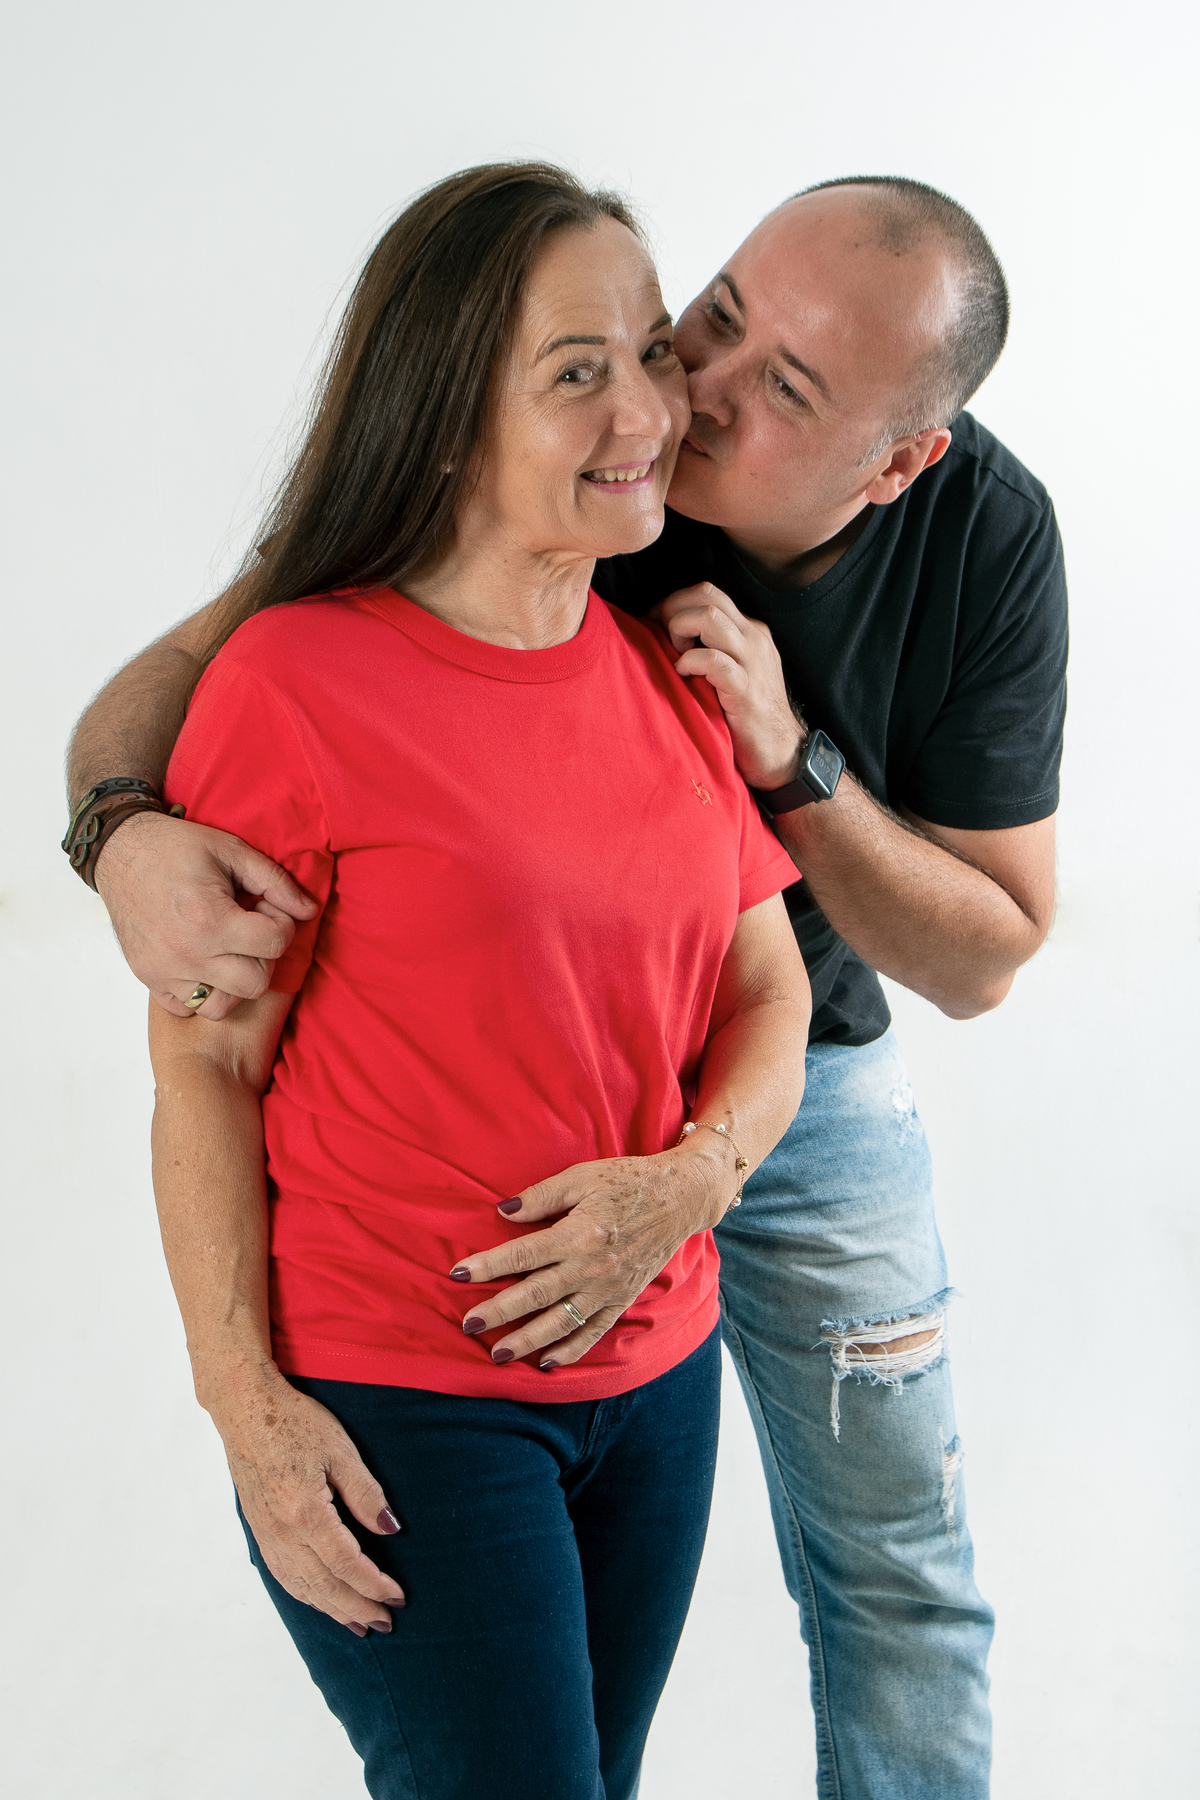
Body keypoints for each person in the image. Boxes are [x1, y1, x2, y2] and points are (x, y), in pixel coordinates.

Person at [66, 175, 1068, 1800]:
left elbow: (979, 957)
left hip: (792, 1085)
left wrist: (788, 772)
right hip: (447, 1252)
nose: (691, 398)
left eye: (785, 389)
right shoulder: (501, 517)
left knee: (897, 1582)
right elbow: (203, 689)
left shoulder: (966, 541)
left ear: (897, 464)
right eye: (716, 321)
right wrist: (121, 838)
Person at [112, 162, 812, 1800]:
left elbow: (766, 995)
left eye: (650, 349)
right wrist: (241, 1406)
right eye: (579, 370)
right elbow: (202, 1070)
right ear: (442, 420)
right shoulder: (296, 683)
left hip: (656, 1390)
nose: (650, 405)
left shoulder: (666, 671)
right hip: (404, 1407)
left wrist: (689, 1183)